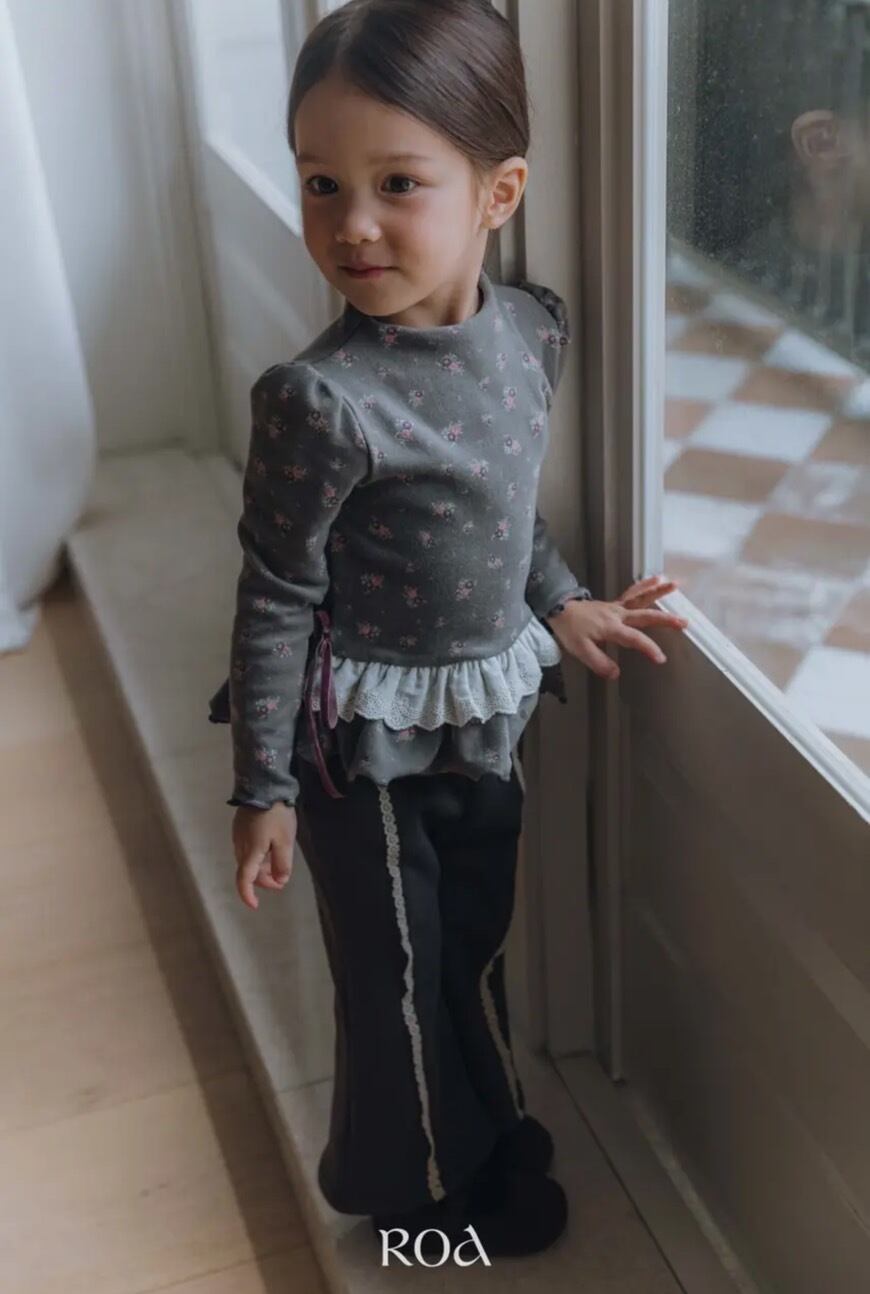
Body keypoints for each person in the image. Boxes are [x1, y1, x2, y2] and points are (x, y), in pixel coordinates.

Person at [207, 0, 689, 1261]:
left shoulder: (531, 334)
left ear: (498, 192)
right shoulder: (320, 401)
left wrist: (562, 599)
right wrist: (261, 787)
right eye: (321, 183)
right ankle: (419, 1194)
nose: (351, 224)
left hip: (481, 714)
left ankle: (479, 1124)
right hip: (355, 747)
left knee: (470, 941)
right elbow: (275, 596)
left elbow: (500, 516)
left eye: (397, 183)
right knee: (397, 979)